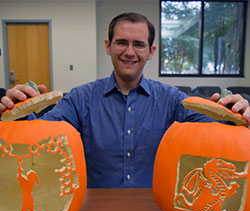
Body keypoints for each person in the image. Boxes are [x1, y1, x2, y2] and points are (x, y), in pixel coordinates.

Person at [0, 13, 250, 188]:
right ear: (108, 46)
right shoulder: (80, 99)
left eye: (139, 44)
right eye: (121, 42)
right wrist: (17, 112)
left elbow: (220, 134)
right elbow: (36, 135)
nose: (129, 52)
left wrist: (237, 114)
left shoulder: (173, 100)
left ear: (150, 51)